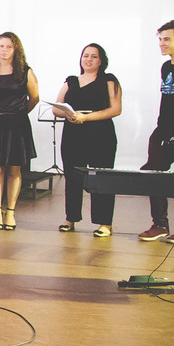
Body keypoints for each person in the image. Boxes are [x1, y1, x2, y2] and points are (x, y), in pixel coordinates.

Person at [52, 44, 121, 237]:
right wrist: (68, 114)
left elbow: (115, 109)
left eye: (94, 56)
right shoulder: (71, 81)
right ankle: (70, 218)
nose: (88, 59)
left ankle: (104, 223)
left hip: (101, 135)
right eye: (85, 56)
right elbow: (56, 108)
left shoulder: (108, 80)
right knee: (72, 177)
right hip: (73, 135)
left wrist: (86, 117)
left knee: (102, 178)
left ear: (101, 61)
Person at [0, 32, 39, 231]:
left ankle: (11, 212)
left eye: (8, 46)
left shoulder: (25, 71)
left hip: (17, 124)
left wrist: (19, 112)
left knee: (14, 169)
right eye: (1, 46)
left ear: (16, 50)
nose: (4, 50)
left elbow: (34, 98)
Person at [138, 21, 174, 242]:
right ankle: (160, 224)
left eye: (167, 39)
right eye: (160, 39)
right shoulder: (166, 67)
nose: (161, 43)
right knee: (154, 173)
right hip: (163, 130)